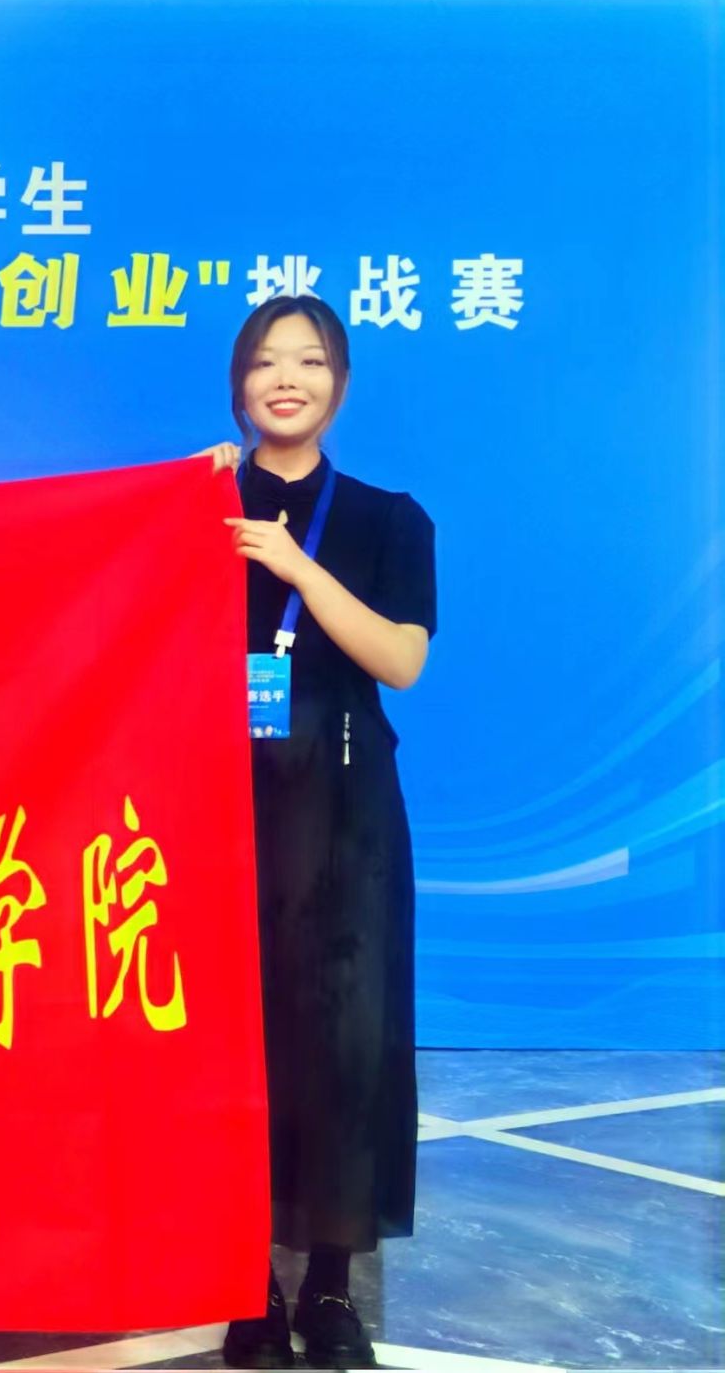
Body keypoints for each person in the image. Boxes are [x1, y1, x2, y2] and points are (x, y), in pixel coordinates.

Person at [193, 296, 436, 1369]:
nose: (284, 379)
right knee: (230, 1039)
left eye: (308, 361)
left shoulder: (389, 518)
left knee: (345, 1041)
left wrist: (295, 567)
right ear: (238, 384)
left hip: (344, 814)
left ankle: (330, 1286)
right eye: (264, 362)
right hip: (214, 803)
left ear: (338, 382)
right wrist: (181, 501)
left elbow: (400, 661)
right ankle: (243, 1284)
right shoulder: (199, 501)